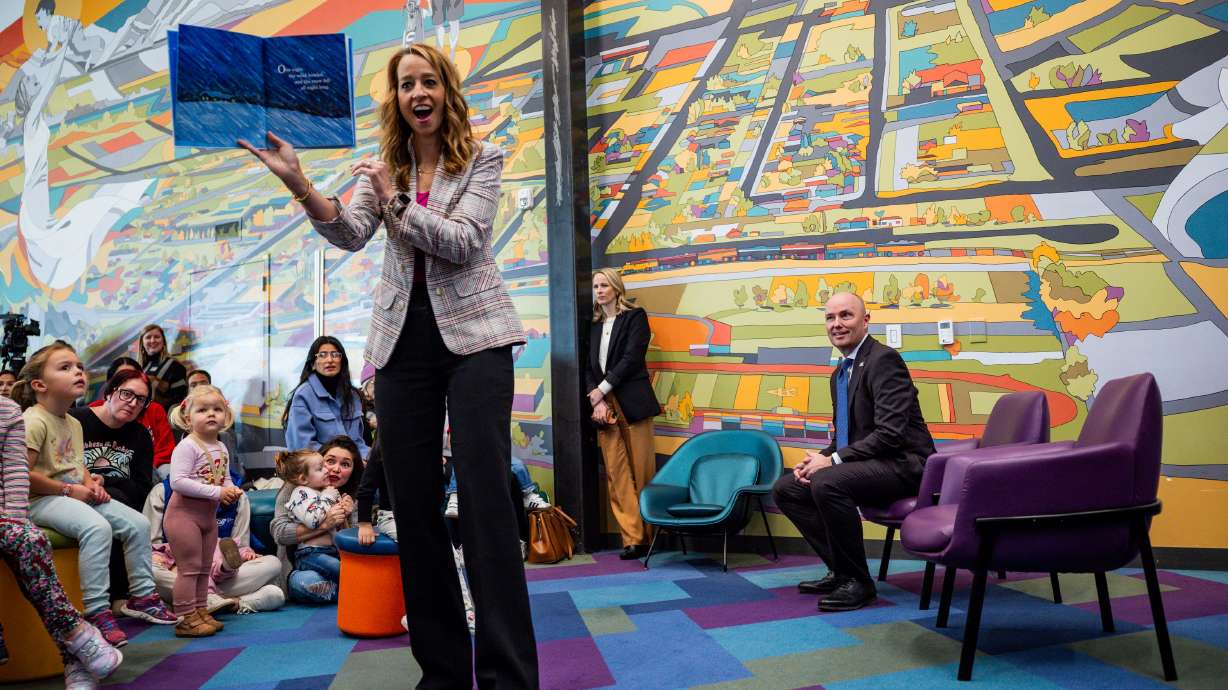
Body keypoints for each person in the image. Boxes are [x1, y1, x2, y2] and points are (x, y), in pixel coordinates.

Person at [242, 41, 538, 687]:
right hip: (400, 347)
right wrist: (298, 181)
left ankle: (508, 676)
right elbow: (348, 231)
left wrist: (396, 201)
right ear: (396, 99)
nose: (418, 93)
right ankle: (442, 674)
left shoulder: (481, 161)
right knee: (415, 511)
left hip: (477, 343)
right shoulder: (389, 167)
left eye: (428, 81)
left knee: (487, 503)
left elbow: (463, 243)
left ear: (446, 91)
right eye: (406, 85)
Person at [772, 292, 936, 612]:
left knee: (828, 481)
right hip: (874, 461)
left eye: (845, 316)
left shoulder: (883, 360)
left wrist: (831, 461)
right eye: (830, 318)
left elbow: (890, 435)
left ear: (865, 320)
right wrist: (818, 459)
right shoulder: (840, 373)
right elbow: (849, 437)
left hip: (906, 465)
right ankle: (841, 570)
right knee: (788, 488)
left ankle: (859, 582)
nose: (837, 324)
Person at [12, 342, 177, 648]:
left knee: (138, 524)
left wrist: (91, 482)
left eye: (79, 367)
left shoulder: (73, 422)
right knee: (97, 528)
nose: (77, 371)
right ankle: (97, 611)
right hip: (41, 500)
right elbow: (21, 476)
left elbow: (76, 464)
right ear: (39, 385)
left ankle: (142, 596)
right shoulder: (33, 420)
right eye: (65, 368)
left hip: (72, 494)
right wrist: (68, 489)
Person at [1, 396, 124, 689]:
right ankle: (78, 642)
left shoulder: (7, 411)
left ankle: (76, 641)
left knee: (27, 540)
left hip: (5, 515)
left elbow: (16, 477)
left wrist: (12, 526)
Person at [587, 267, 662, 560]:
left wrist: (602, 390)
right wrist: (597, 400)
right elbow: (587, 368)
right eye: (596, 286)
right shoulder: (592, 326)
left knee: (642, 470)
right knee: (616, 474)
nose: (599, 290)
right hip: (604, 409)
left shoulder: (635, 317)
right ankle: (632, 538)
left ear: (617, 288)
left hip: (632, 402)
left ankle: (649, 535)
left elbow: (632, 358)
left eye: (604, 285)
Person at [164, 385, 245, 637]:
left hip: (207, 518)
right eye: (202, 410)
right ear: (188, 418)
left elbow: (225, 478)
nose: (211, 414)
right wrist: (218, 493)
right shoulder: (187, 446)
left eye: (217, 409)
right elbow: (177, 481)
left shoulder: (221, 447)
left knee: (203, 567)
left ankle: (200, 611)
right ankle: (185, 616)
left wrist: (231, 490)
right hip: (183, 516)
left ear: (226, 415)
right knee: (188, 568)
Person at [144, 478, 285, 617]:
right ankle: (229, 601)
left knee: (273, 565)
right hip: (180, 573)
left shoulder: (237, 496)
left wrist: (248, 556)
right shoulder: (163, 491)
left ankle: (195, 603)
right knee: (149, 569)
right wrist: (165, 562)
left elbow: (238, 546)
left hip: (222, 573)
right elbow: (150, 548)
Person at [270, 436, 363, 604]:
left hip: (336, 560)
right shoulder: (296, 488)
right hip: (302, 564)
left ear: (353, 471)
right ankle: (358, 589)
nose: (334, 469)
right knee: (305, 582)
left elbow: (355, 547)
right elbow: (280, 533)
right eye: (330, 461)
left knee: (344, 571)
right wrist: (325, 524)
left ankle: (351, 590)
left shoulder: (351, 498)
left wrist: (346, 519)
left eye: (345, 464)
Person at [70, 369, 155, 511]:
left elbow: (142, 491)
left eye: (140, 399)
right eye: (127, 394)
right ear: (109, 392)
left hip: (120, 504)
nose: (133, 403)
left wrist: (106, 481)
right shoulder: (75, 420)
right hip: (76, 498)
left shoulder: (141, 435)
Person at [282, 337, 370, 460]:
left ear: (342, 361)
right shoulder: (303, 395)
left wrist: (369, 459)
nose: (330, 360)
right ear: (313, 363)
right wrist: (345, 460)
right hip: (319, 467)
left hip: (354, 463)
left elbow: (358, 443)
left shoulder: (353, 395)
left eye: (335, 355)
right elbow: (302, 447)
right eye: (322, 355)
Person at [91, 357, 175, 480]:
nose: (132, 402)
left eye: (134, 376)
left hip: (152, 467)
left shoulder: (153, 409)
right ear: (110, 386)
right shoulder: (92, 411)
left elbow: (165, 450)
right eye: (122, 378)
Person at [138, 325, 188, 410]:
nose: (152, 340)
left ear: (163, 341)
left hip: (162, 420)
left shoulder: (176, 367)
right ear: (142, 343)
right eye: (148, 337)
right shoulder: (140, 367)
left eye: (157, 337)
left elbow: (179, 403)